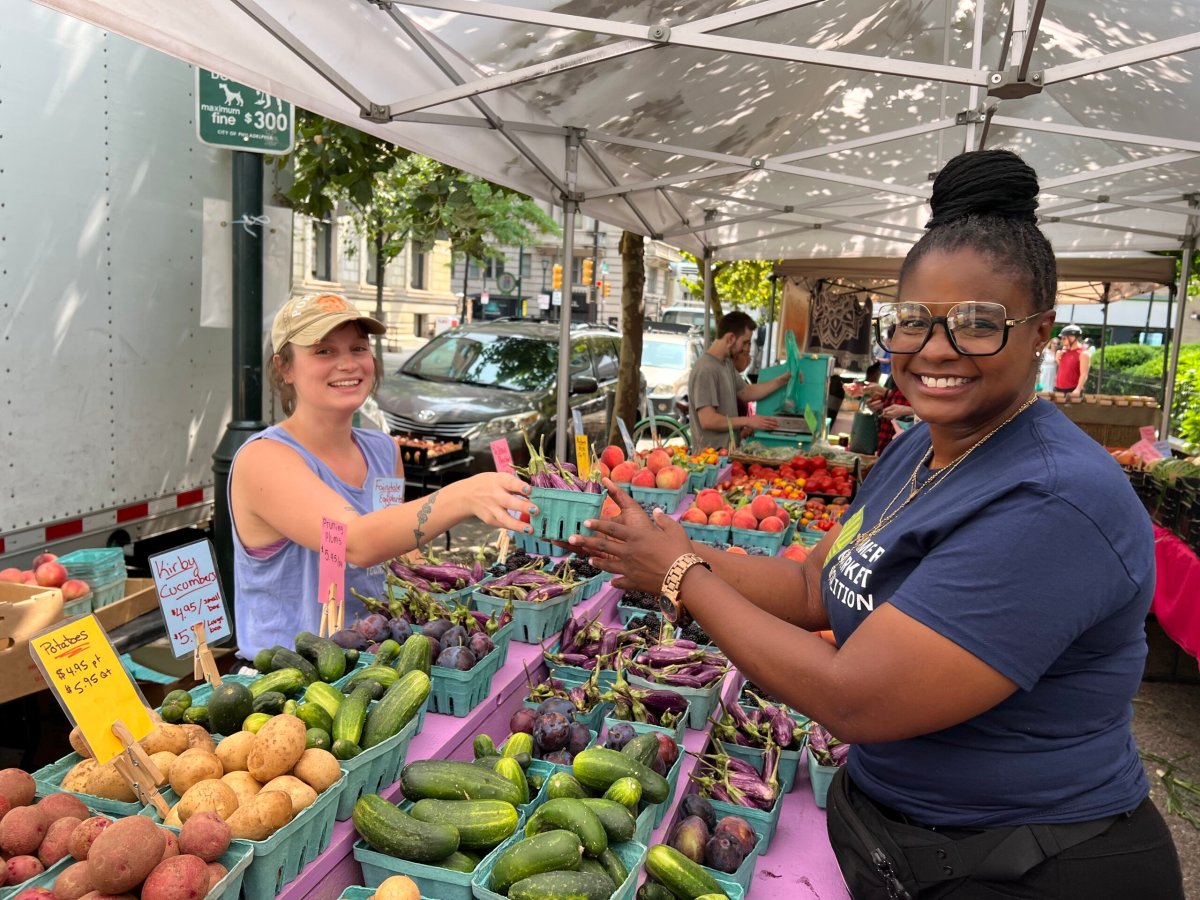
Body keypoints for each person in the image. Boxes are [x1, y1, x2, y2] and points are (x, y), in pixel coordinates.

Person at [570, 150, 1182, 898]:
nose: (935, 349)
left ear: (1041, 332)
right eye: (913, 323)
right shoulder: (923, 447)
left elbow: (853, 698)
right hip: (911, 842)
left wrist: (679, 574)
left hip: (1028, 864)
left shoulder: (1053, 500)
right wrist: (672, 545)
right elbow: (808, 586)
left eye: (977, 324)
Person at [229, 292, 533, 659]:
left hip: (376, 663)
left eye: (358, 348)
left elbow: (400, 555)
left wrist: (458, 582)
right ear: (285, 368)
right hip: (291, 685)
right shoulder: (264, 460)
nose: (348, 364)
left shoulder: (384, 451)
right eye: (324, 351)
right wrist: (463, 496)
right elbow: (354, 543)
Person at [687, 310, 790, 450]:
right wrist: (748, 420)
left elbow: (746, 392)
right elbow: (708, 420)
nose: (746, 348)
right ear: (730, 338)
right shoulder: (706, 369)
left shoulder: (726, 363)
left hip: (727, 456)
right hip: (710, 461)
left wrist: (782, 380)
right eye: (745, 342)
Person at [1055, 324, 1090, 395]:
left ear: (1072, 337)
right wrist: (1057, 357)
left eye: (1064, 338)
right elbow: (1064, 369)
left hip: (1072, 390)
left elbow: (1084, 374)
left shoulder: (1083, 353)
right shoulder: (1063, 351)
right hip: (1058, 388)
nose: (1061, 341)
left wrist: (1078, 389)